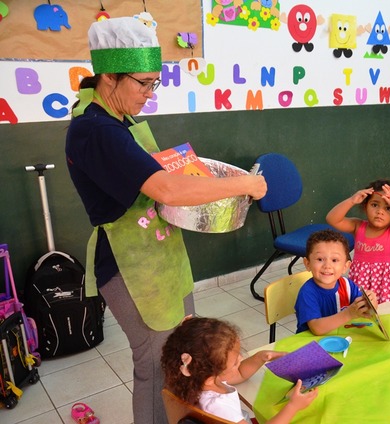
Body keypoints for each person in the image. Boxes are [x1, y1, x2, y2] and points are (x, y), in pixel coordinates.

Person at [65, 18, 267, 424]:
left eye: (154, 83)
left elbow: (164, 178)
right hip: (130, 266)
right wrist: (244, 183)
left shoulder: (118, 120)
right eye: (143, 83)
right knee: (158, 365)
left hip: (159, 258)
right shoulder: (96, 130)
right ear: (108, 76)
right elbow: (168, 191)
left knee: (181, 354)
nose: (149, 94)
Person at [161, 317, 317, 423]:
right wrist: (293, 406)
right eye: (235, 362)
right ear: (211, 377)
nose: (241, 359)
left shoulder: (195, 380)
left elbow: (240, 374)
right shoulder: (219, 407)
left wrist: (261, 357)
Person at [326, 179, 390, 306]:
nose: (380, 211)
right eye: (374, 205)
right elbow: (332, 219)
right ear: (365, 206)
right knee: (359, 318)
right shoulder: (358, 226)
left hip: (387, 291)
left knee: (387, 320)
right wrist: (351, 201)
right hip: (360, 288)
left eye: (388, 208)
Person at [295, 229, 377, 335]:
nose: (327, 266)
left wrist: (370, 303)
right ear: (307, 264)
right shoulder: (307, 292)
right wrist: (349, 314)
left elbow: (363, 309)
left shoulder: (347, 286)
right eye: (320, 259)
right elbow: (317, 328)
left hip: (339, 339)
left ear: (345, 266)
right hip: (312, 344)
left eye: (334, 260)